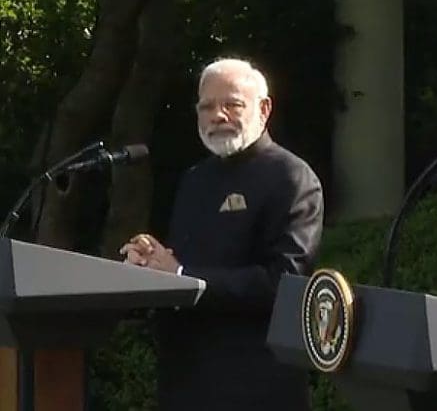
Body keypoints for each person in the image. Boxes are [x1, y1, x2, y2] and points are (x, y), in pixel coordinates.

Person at [119, 58, 323, 410]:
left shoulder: (291, 178)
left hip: (255, 387)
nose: (218, 115)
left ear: (264, 109)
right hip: (184, 383)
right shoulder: (195, 180)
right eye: (207, 106)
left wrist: (182, 276)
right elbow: (185, 264)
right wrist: (151, 264)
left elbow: (286, 282)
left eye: (232, 104)